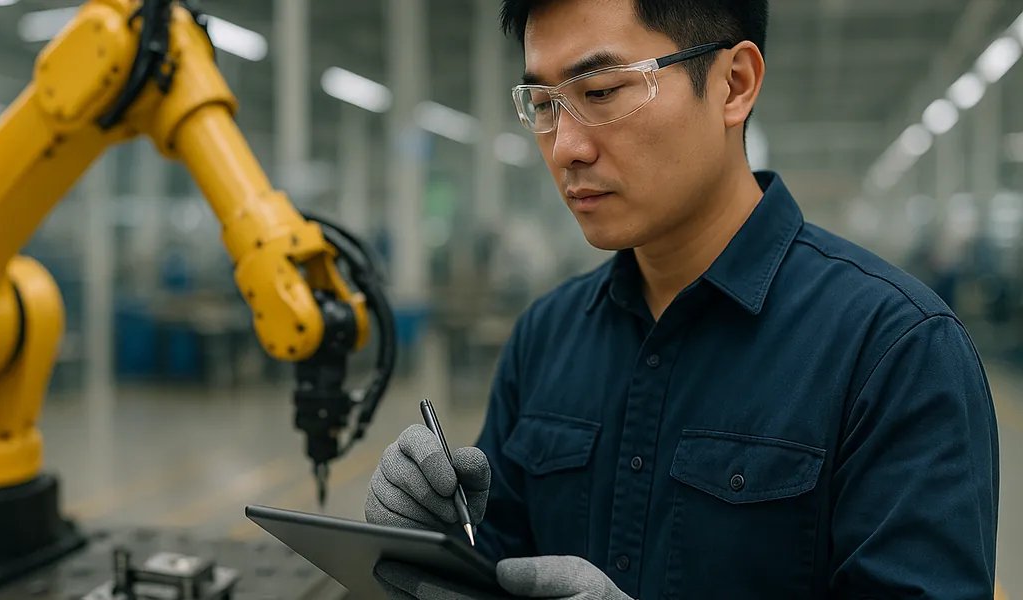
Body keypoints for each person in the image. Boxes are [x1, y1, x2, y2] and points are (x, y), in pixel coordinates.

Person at [365, 0, 1000, 598]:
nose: (566, 148)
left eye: (601, 93)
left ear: (733, 84)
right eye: (543, 103)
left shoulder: (895, 353)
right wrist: (432, 537)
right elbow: (501, 560)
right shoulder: (545, 338)